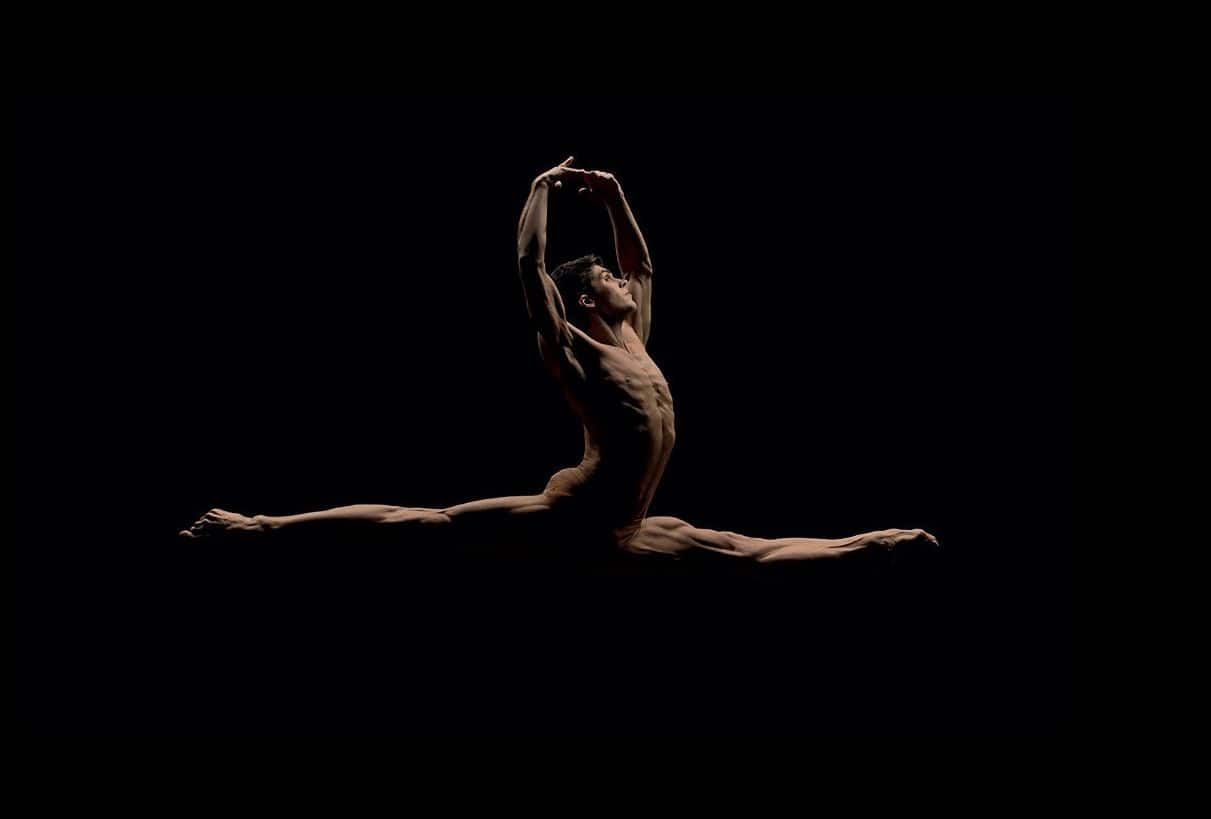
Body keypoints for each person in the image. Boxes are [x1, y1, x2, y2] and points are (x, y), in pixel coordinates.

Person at [181, 158, 938, 563]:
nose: (622, 284)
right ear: (583, 299)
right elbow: (528, 266)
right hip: (571, 516)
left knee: (741, 550)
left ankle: (869, 544)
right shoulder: (574, 348)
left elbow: (643, 265)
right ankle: (259, 527)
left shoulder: (634, 340)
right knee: (425, 522)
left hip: (625, 527)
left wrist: (614, 196)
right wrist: (541, 186)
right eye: (607, 280)